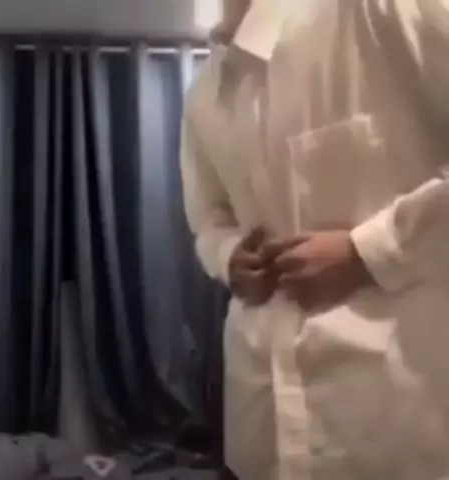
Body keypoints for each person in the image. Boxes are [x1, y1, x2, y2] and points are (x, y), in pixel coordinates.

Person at [180, 0, 449, 478]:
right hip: (258, 426)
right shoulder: (203, 95)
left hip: (403, 432)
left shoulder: (387, 10)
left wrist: (368, 254)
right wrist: (229, 257)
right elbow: (209, 219)